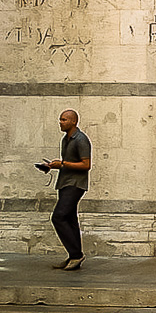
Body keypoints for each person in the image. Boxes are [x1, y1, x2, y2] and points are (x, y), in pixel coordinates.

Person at [49, 109, 91, 271]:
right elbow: (67, 162)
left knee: (58, 217)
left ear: (74, 121)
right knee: (71, 219)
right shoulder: (66, 139)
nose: (61, 122)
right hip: (65, 182)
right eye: (60, 119)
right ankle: (74, 256)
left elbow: (86, 165)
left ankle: (76, 255)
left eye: (64, 119)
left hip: (75, 184)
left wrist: (63, 164)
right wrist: (52, 166)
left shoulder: (81, 140)